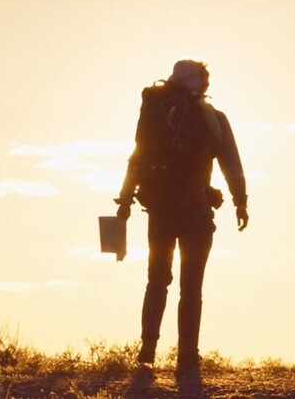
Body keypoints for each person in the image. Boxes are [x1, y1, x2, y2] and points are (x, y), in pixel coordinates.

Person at [115, 60, 249, 380]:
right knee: (192, 287)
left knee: (157, 280)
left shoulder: (153, 116)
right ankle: (188, 355)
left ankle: (148, 348)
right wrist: (239, 201)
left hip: (159, 212)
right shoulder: (212, 119)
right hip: (195, 213)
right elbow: (232, 162)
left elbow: (137, 158)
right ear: (200, 84)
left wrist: (124, 202)